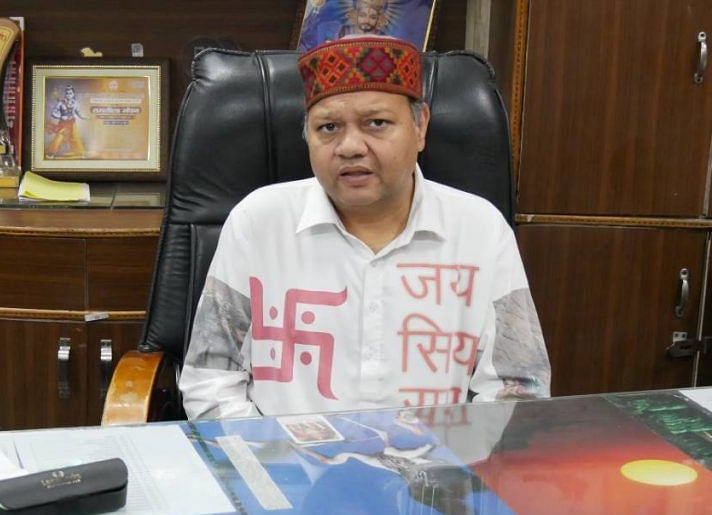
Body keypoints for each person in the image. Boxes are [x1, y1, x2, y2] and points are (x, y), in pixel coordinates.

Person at [178, 35, 551, 420]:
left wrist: (453, 473)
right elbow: (211, 379)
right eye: (328, 128)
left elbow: (518, 388)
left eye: (376, 123)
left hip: (435, 472)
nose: (350, 146)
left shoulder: (480, 229)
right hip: (284, 468)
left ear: (420, 126)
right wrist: (270, 468)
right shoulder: (258, 222)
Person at [45, 85, 87, 158]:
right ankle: (51, 153)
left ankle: (80, 153)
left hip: (72, 123)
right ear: (65, 94)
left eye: (70, 93)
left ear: (73, 94)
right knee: (59, 137)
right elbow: (53, 113)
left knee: (74, 137)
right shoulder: (61, 103)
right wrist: (60, 116)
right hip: (63, 123)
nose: (69, 95)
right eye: (67, 93)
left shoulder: (76, 103)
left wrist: (85, 117)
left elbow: (79, 113)